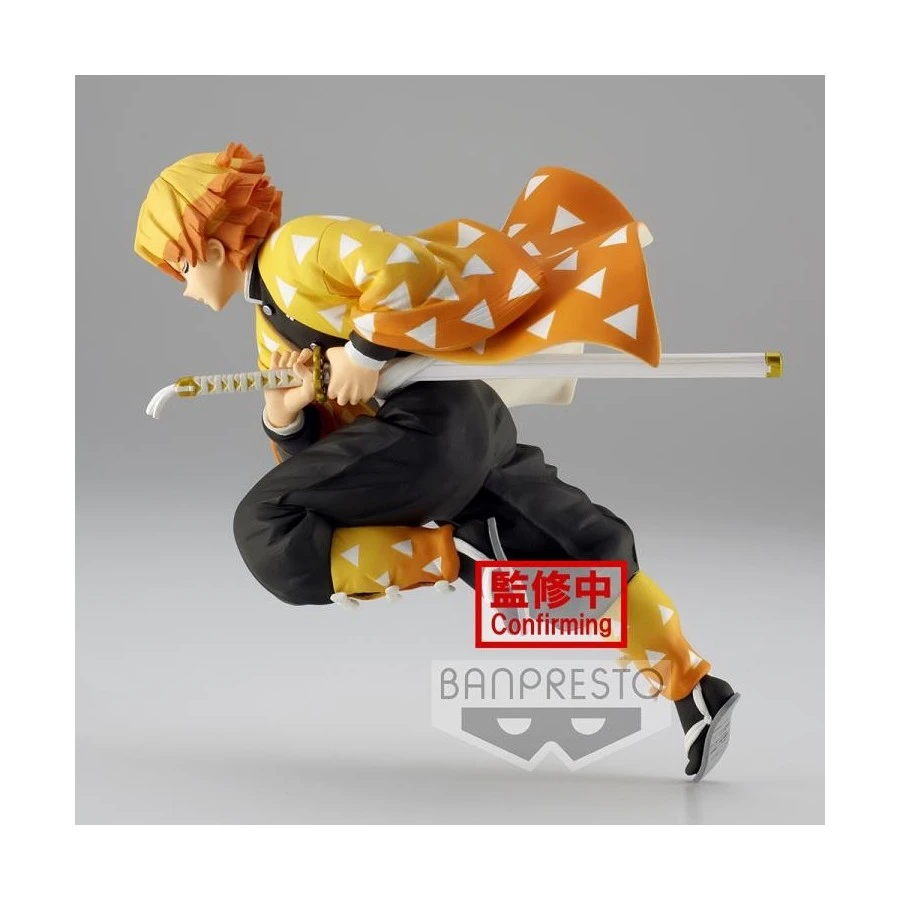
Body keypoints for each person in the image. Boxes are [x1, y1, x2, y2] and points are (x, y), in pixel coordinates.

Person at [134, 142, 739, 780]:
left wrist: (364, 353)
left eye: (179, 268)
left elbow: (405, 268)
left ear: (210, 247)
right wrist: (286, 415)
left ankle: (454, 557)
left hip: (431, 430)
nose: (185, 289)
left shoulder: (298, 249)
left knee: (265, 526)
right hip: (465, 430)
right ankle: (694, 688)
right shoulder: (269, 326)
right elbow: (327, 469)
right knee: (582, 551)